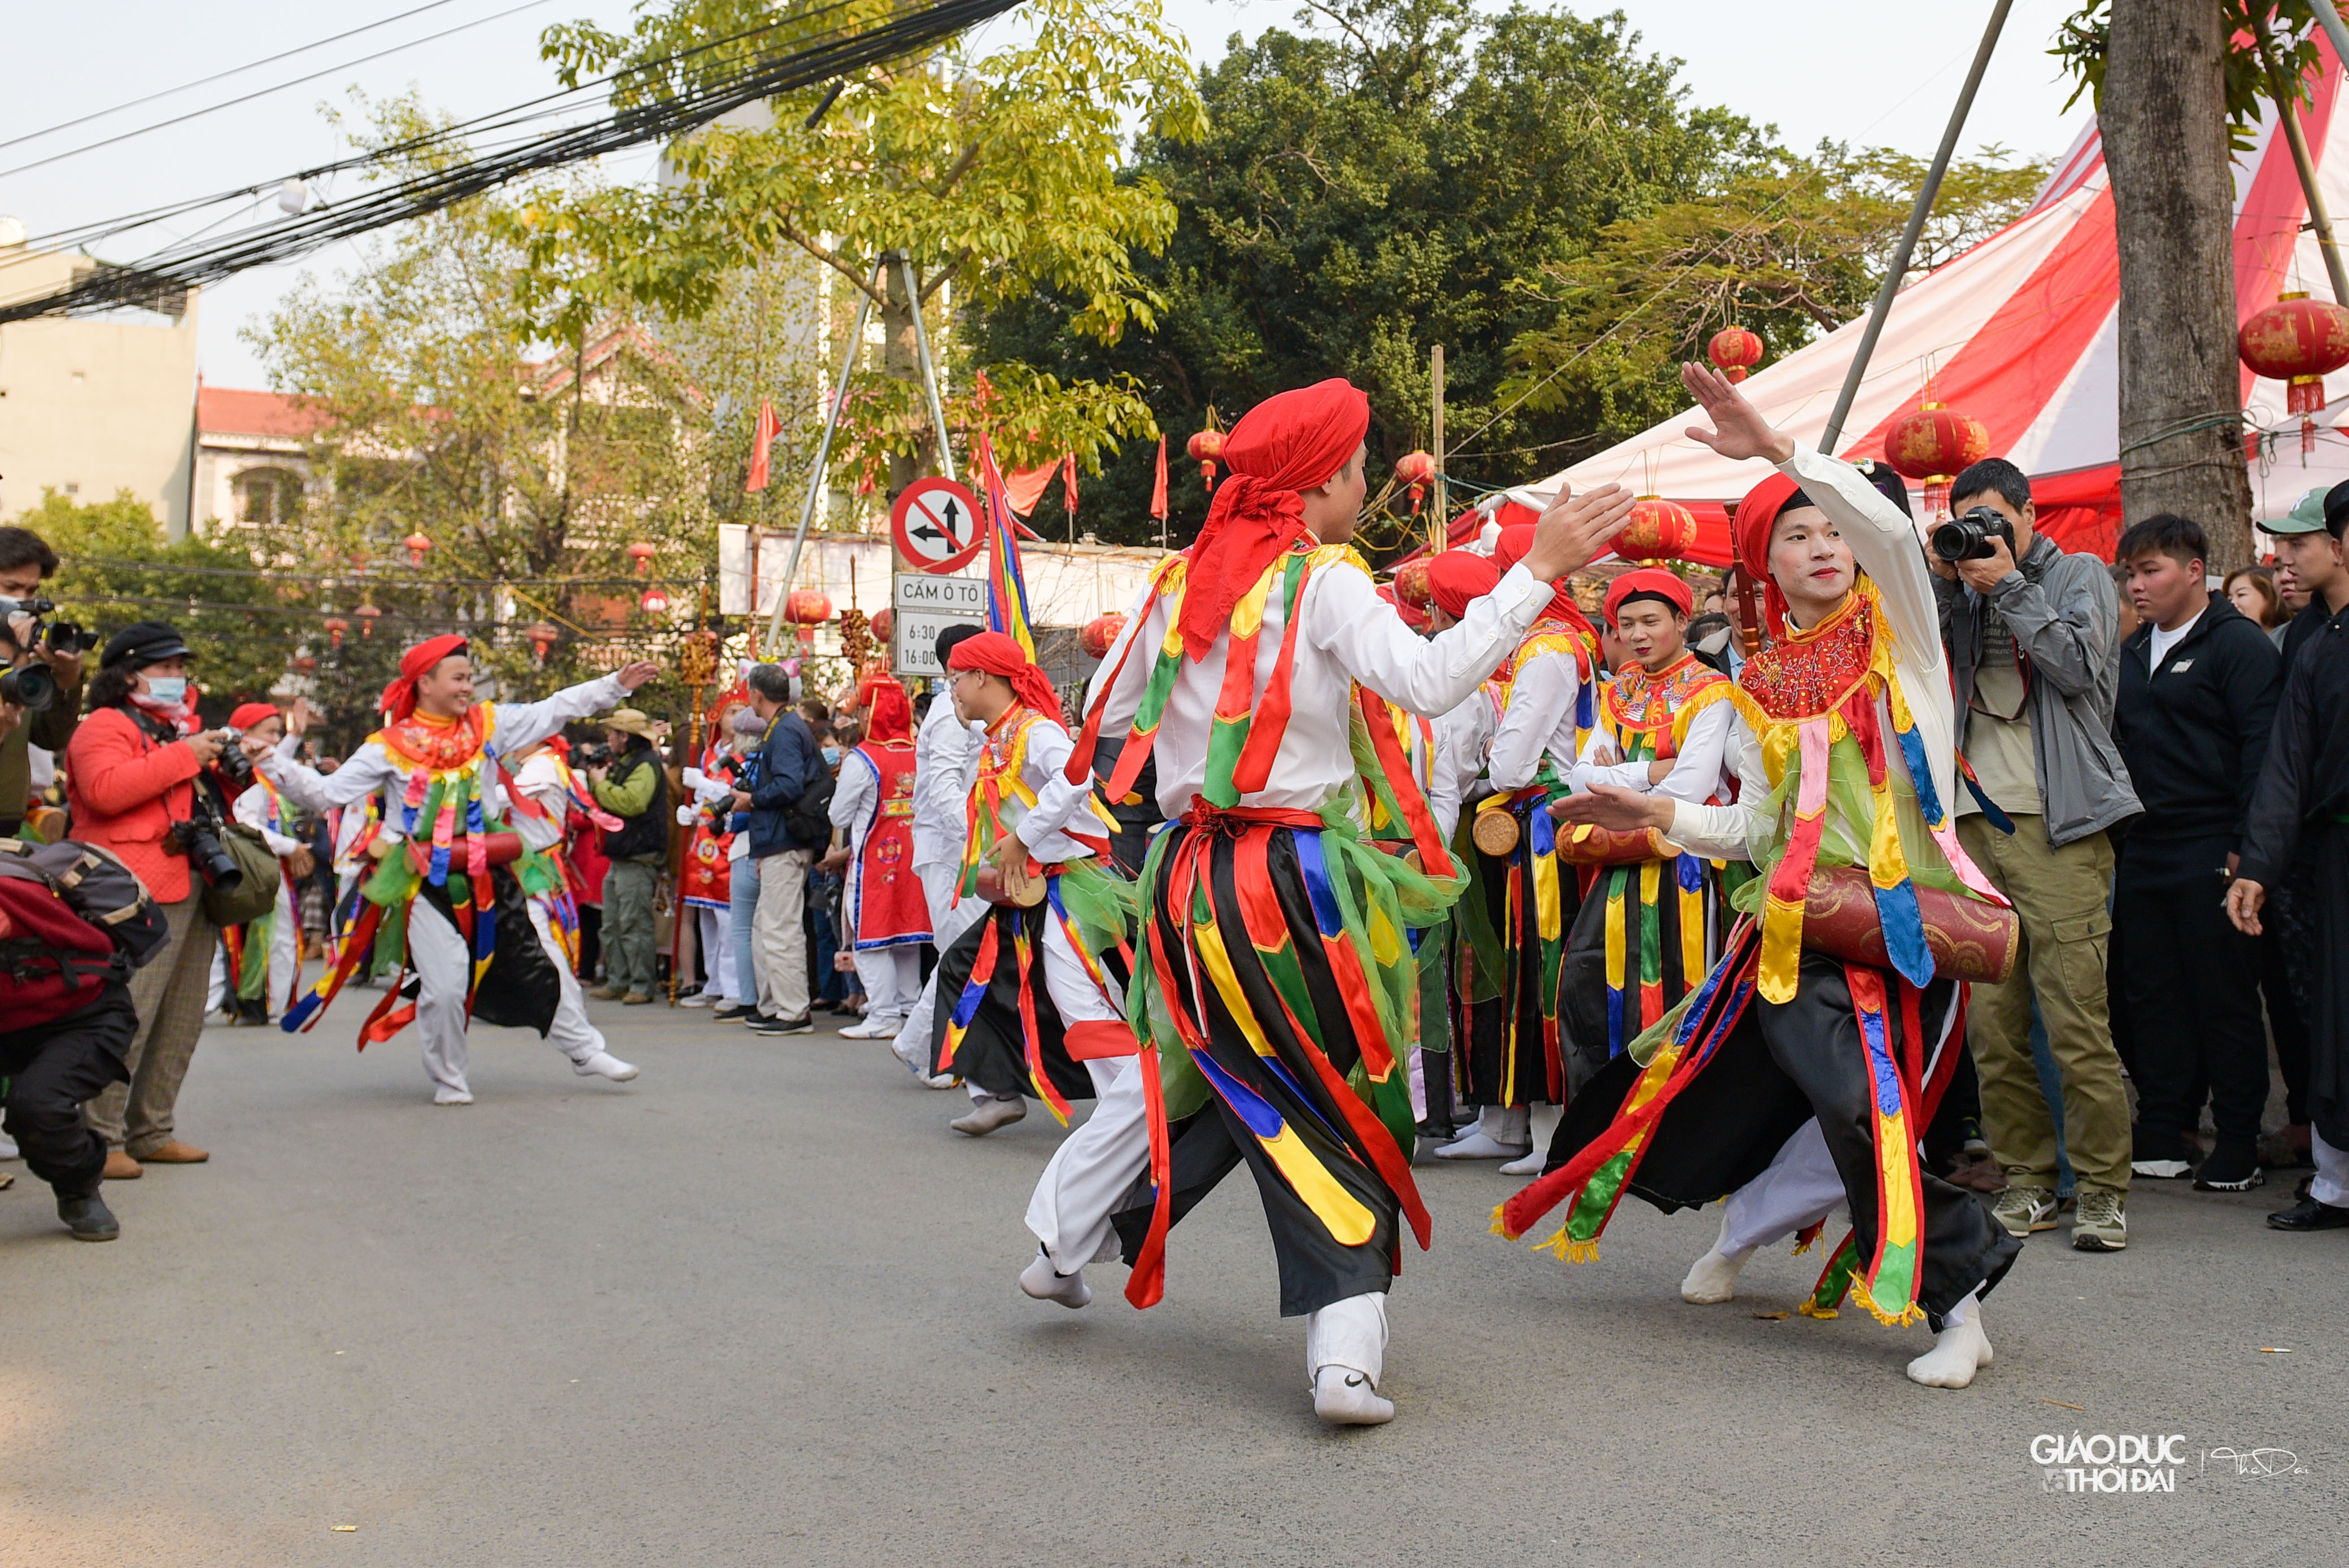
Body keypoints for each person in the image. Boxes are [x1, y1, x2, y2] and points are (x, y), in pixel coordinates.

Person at [1075, 377, 1630, 1426]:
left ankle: (1105, 1227)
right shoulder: (1323, 579)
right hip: (1294, 882)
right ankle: (1343, 1351)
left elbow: (1104, 720)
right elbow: (1428, 680)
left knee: (1242, 1071)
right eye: (1360, 466)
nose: (1368, 484)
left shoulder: (1173, 581)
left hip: (1189, 878)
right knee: (1352, 1098)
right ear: (1323, 481)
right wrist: (1538, 574)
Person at [1510, 364, 2023, 1390]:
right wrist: (1655, 811)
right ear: (1763, 565)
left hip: (1903, 928)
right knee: (1829, 1101)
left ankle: (1885, 1278)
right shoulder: (1758, 684)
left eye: (1830, 529)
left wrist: (1785, 453)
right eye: (1796, 533)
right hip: (1792, 932)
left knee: (1854, 1107)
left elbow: (1885, 530)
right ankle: (1945, 1300)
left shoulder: (1906, 635)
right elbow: (1753, 825)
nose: (1825, 544)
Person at [261, 635, 649, 1103]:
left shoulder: (488, 725)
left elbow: (553, 709)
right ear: (424, 683)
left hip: (489, 869)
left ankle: (586, 1051)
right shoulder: (388, 747)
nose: (468, 687)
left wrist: (613, 685)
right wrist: (274, 762)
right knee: (444, 987)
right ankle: (449, 1077)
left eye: (469, 678)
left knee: (544, 961)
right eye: (459, 678)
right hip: (421, 879)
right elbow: (326, 793)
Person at [1934, 455, 2137, 1252]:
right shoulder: (1962, 587)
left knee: (2077, 1021)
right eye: (1966, 522)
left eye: (1992, 520)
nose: (1981, 536)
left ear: (2027, 514)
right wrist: (1946, 580)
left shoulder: (2078, 572)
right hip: (1978, 827)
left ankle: (2101, 1188)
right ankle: (2026, 1180)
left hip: (2062, 827)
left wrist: (2007, 585)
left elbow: (2079, 667)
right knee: (1994, 1026)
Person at [2111, 516, 2281, 1193]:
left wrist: (2249, 848)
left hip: (2215, 842)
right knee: (2150, 993)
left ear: (2193, 570)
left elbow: (2264, 750)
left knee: (2223, 994)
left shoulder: (2237, 645)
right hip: (2142, 847)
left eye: (2149, 570)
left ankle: (2237, 1137)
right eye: (2129, 573)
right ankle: (2164, 1124)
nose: (2137, 584)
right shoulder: (2131, 649)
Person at [1438, 523, 1602, 1165]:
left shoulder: (1544, 649)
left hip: (1539, 832)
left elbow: (1508, 768)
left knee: (1538, 967)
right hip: (1537, 825)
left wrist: (1490, 752)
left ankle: (1546, 1123)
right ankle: (1512, 1119)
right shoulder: (1563, 641)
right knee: (1524, 967)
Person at [1557, 568, 1738, 1080]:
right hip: (1618, 869)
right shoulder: (1620, 691)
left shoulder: (1712, 691)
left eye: (1651, 621)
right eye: (1626, 623)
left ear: (1682, 621)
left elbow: (1688, 790)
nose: (1637, 635)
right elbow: (1579, 779)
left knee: (1680, 991)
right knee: (1598, 987)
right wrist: (1651, 770)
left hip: (1686, 869)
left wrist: (1619, 776)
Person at [68, 621, 232, 1179]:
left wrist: (233, 762)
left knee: (181, 1019)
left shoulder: (176, 729)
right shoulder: (103, 726)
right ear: (128, 673)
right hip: (127, 890)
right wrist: (188, 754)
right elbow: (106, 791)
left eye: (181, 668)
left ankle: (152, 1129)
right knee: (126, 1016)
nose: (176, 677)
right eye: (165, 667)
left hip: (190, 884)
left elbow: (191, 799)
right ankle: (100, 1135)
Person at [2229, 479, 2349, 1231]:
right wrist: (2260, 868)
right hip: (2333, 852)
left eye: (2300, 543)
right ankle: (2335, 1185)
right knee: (2332, 1017)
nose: (2288, 559)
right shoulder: (2315, 642)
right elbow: (2287, 763)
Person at [891, 624, 987, 1084]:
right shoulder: (951, 714)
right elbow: (946, 788)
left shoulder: (968, 710)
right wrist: (974, 843)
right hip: (953, 851)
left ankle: (925, 1046)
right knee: (961, 954)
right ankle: (927, 1051)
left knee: (965, 952)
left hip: (961, 848)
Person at [823, 672, 928, 1040]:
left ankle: (883, 1012)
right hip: (914, 860)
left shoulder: (863, 758)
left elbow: (838, 815)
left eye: (866, 707)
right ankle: (908, 1007)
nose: (862, 714)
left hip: (875, 862)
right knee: (906, 937)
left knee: (870, 937)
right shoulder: (919, 753)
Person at [733, 663, 824, 1035]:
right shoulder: (787, 725)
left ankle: (793, 1010)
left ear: (757, 694)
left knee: (781, 926)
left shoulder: (786, 730)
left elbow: (788, 785)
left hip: (784, 837)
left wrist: (752, 800)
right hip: (778, 839)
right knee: (765, 924)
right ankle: (773, 1004)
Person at [206, 704, 310, 1023]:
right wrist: (292, 846)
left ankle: (264, 1002)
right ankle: (271, 1004)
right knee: (275, 935)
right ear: (245, 736)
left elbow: (276, 760)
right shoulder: (244, 776)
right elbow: (246, 825)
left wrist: (294, 736)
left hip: (259, 863)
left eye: (278, 734)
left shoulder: (250, 768)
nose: (275, 741)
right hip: (260, 865)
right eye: (270, 733)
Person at [0, 526, 85, 837]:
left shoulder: (31, 655)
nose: (25, 602)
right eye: (12, 588)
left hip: (10, 824)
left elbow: (51, 738)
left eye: (32, 591)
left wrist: (66, 680)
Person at [581, 710, 669, 1004]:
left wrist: (601, 784)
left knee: (634, 922)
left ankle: (641, 984)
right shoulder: (628, 763)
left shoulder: (646, 765)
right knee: (613, 922)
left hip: (638, 853)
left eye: (613, 734)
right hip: (622, 853)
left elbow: (633, 803)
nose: (609, 739)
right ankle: (618, 980)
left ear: (625, 737)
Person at [677, 695, 749, 1010]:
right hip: (705, 841)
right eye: (729, 711)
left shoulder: (746, 755)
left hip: (729, 841)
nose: (734, 717)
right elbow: (704, 799)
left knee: (727, 919)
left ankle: (734, 988)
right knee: (706, 917)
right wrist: (692, 813)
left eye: (739, 712)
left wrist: (704, 784)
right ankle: (714, 981)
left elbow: (738, 794)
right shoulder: (709, 754)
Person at [2224, 565, 2289, 649]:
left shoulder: (2294, 640)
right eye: (2229, 599)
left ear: (2270, 596)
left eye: (2241, 595)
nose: (2232, 603)